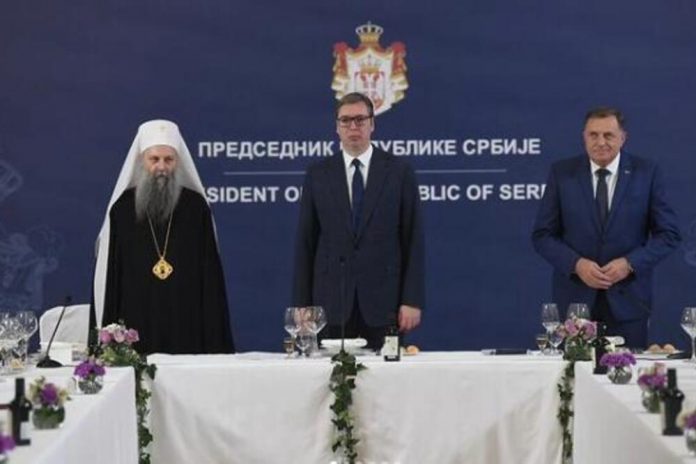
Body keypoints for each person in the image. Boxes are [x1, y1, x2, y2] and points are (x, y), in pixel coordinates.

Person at [532, 107, 681, 348]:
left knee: (625, 371)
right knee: (574, 372)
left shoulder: (646, 173)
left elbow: (669, 234)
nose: (601, 142)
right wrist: (576, 264)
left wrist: (629, 263)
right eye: (593, 135)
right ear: (584, 137)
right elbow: (542, 235)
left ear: (623, 138)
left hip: (629, 303)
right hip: (575, 305)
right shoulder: (562, 173)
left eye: (608, 135)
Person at [292, 92, 425, 349]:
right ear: (337, 127)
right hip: (330, 305)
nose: (353, 127)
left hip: (384, 304)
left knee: (384, 374)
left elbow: (413, 240)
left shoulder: (399, 172)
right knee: (332, 374)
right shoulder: (318, 174)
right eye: (346, 120)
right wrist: (301, 303)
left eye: (360, 120)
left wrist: (412, 299)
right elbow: (306, 241)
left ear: (372, 124)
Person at [92, 119, 234, 354]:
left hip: (187, 326)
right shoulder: (122, 210)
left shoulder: (196, 207)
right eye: (154, 159)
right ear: (142, 161)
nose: (162, 167)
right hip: (134, 326)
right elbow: (112, 277)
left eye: (169, 160)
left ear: (178, 162)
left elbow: (210, 280)